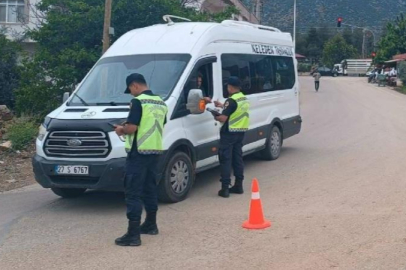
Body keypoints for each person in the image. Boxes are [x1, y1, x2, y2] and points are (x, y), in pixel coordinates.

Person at [114, 73, 168, 246]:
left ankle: (133, 235)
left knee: (133, 193)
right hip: (155, 151)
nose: (131, 93)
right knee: (150, 189)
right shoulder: (160, 102)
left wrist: (121, 129)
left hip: (138, 153)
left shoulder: (138, 102)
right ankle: (151, 225)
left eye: (130, 89)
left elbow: (132, 128)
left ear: (135, 85)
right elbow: (159, 123)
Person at [210, 77, 250, 198]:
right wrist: (223, 106)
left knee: (225, 159)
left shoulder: (231, 100)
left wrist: (215, 115)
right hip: (240, 132)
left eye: (228, 86)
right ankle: (239, 185)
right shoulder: (243, 98)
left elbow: (223, 118)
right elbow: (235, 110)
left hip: (229, 133)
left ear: (231, 87)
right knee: (238, 159)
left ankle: (225, 188)